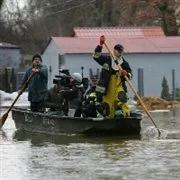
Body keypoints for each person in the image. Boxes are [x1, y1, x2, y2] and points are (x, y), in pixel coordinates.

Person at [93, 36, 132, 118]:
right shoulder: (106, 59)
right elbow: (96, 56)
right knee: (108, 107)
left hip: (118, 86)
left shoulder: (124, 64)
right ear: (114, 51)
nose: (120, 52)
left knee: (121, 98)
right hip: (106, 87)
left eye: (121, 51)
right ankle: (110, 117)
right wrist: (100, 46)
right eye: (118, 50)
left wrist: (127, 74)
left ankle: (123, 115)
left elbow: (130, 75)